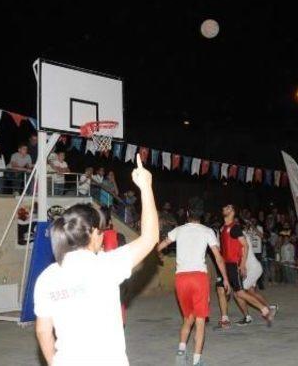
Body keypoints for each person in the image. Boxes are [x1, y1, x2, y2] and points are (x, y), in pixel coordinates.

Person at [34, 154, 158, 365]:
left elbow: (43, 329)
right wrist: (146, 186)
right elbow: (151, 237)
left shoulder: (47, 277)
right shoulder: (106, 266)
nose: (103, 236)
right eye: (100, 232)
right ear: (91, 233)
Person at [157, 197, 230, 366]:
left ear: (188, 213)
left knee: (187, 317)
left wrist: (159, 255)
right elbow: (218, 258)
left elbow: (160, 246)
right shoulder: (207, 231)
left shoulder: (179, 230)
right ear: (202, 215)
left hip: (181, 278)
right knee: (200, 321)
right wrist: (225, 278)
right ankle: (197, 361)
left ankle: (181, 353)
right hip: (199, 278)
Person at [215, 204, 276, 329]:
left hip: (233, 265)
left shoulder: (235, 228)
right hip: (224, 265)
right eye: (224, 207)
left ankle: (265, 310)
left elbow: (245, 246)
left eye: (229, 207)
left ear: (232, 212)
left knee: (240, 293)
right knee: (220, 289)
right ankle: (225, 319)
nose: (225, 208)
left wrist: (242, 265)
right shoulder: (223, 228)